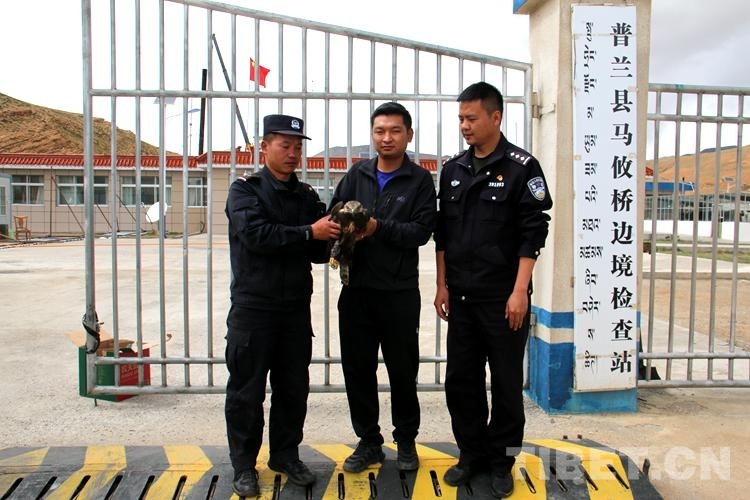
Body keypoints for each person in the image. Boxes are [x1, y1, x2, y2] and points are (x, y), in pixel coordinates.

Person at [433, 82, 552, 498]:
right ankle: (471, 455)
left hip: (504, 300)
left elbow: (533, 233)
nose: (464, 125)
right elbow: (443, 234)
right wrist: (441, 285)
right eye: (460, 119)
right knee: (461, 381)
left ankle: (502, 462)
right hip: (462, 299)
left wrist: (520, 292)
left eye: (471, 118)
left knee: (505, 385)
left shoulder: (522, 167)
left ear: (495, 117)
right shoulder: (453, 169)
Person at [224, 114, 340, 497]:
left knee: (293, 388)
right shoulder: (245, 191)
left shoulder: (305, 196)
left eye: (297, 147)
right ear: (264, 147)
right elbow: (256, 235)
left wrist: (338, 233)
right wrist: (310, 232)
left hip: (294, 310)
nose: (292, 153)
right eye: (284, 145)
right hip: (253, 309)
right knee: (246, 392)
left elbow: (318, 251)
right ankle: (244, 464)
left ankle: (285, 455)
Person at [329, 102, 437, 473]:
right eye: (379, 131)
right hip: (356, 291)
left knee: (402, 372)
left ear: (409, 134)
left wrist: (377, 228)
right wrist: (342, 226)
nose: (386, 138)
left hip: (398, 293)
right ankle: (369, 442)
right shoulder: (357, 173)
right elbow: (334, 210)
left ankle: (406, 441)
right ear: (372, 135)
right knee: (357, 371)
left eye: (394, 131)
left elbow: (421, 231)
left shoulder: (419, 180)